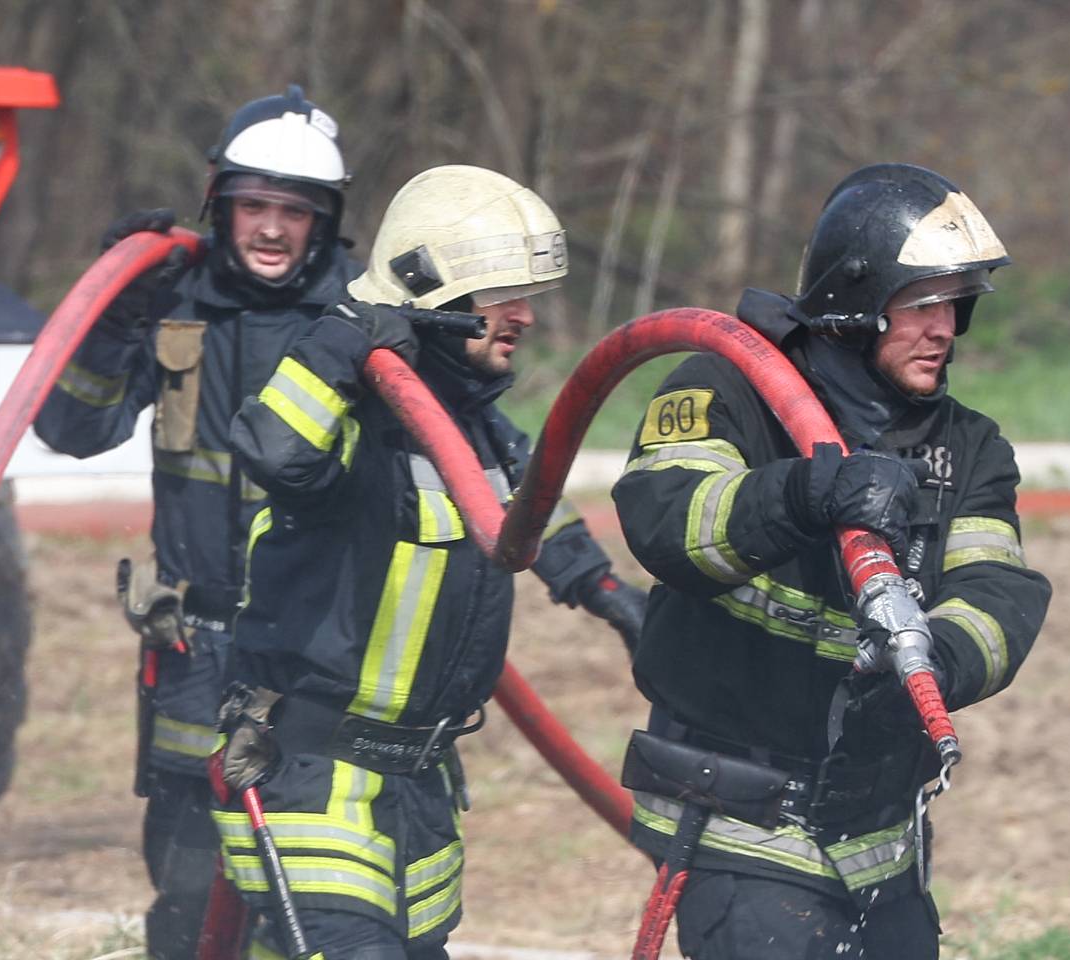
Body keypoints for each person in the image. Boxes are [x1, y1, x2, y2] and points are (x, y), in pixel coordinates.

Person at [611, 163, 1053, 959]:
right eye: (922, 304)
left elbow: (998, 594)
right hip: (740, 821)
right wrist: (810, 492)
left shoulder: (969, 448)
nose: (946, 329)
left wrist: (934, 666)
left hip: (878, 838)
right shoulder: (725, 390)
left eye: (955, 304)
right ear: (853, 305)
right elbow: (666, 521)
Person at [211, 164, 648, 959]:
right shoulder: (357, 414)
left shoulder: (475, 426)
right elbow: (274, 447)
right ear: (432, 295)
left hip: (419, 787)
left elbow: (535, 506)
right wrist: (347, 334)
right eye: (500, 295)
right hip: (321, 777)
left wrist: (614, 598)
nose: (522, 317)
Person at [34, 85, 359, 960]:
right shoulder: (172, 305)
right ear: (221, 205)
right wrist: (113, 317)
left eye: (295, 212)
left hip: (316, 659)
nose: (271, 229)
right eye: (254, 205)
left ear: (324, 223)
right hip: (194, 655)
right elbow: (71, 429)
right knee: (187, 894)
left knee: (314, 890)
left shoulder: (360, 327)